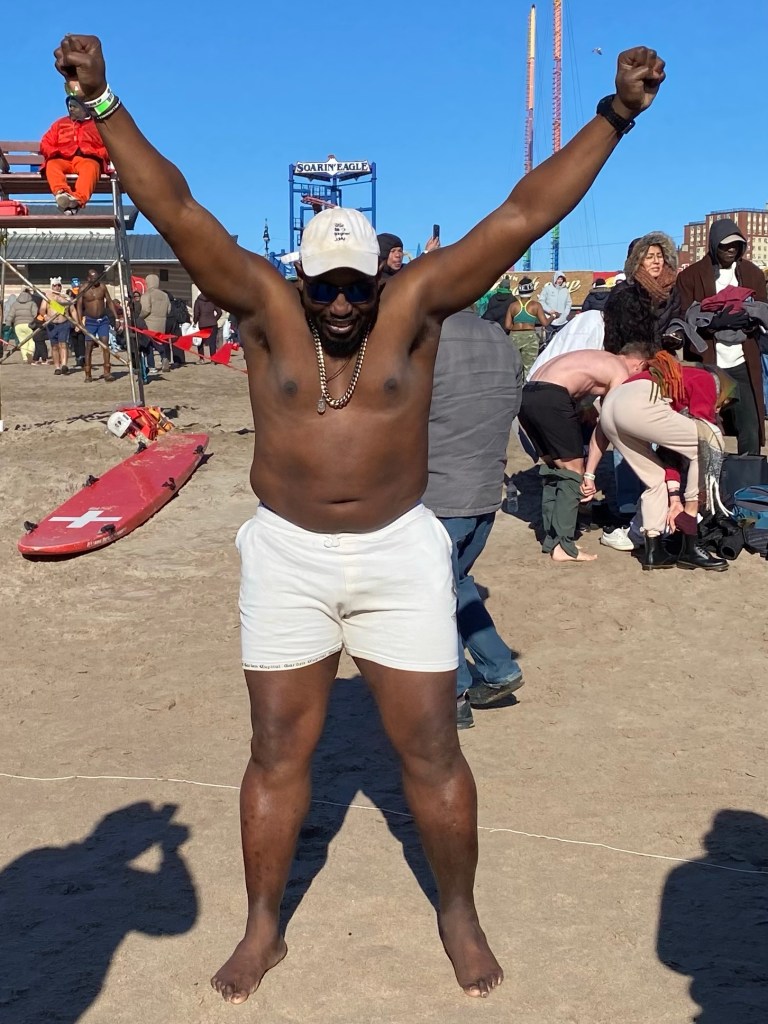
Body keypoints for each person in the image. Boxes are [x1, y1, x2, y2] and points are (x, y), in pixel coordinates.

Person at [55, 31, 664, 1002]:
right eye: (324, 286)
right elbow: (176, 208)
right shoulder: (263, 309)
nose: (341, 304)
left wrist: (617, 116)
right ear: (298, 276)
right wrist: (101, 107)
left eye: (355, 285)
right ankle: (263, 926)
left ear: (379, 276)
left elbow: (522, 213)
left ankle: (458, 912)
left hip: (397, 550)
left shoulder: (413, 310)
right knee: (275, 752)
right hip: (286, 554)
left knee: (431, 749)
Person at [422, 309, 524, 731]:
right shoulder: (499, 337)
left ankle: (455, 693)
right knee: (457, 582)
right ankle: (499, 667)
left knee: (433, 595)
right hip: (485, 487)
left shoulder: (425, 335)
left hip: (439, 490)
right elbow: (515, 402)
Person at [581, 353, 729, 572]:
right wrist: (690, 504)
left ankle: (654, 551)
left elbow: (669, 454)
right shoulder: (705, 378)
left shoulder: (670, 385)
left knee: (655, 478)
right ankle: (689, 536)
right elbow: (705, 438)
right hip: (637, 405)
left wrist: (674, 497)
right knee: (711, 440)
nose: (717, 409)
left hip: (613, 406)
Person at [519, 346, 650, 562]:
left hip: (528, 395)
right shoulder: (620, 371)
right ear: (639, 364)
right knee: (573, 473)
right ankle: (563, 546)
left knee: (556, 470)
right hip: (552, 397)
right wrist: (589, 474)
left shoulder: (600, 357)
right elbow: (607, 424)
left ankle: (552, 539)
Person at [677, 219, 766, 455]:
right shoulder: (691, 276)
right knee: (706, 426)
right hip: (708, 363)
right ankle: (708, 472)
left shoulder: (752, 274)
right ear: (714, 244)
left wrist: (750, 320)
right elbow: (683, 314)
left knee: (750, 426)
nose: (730, 249)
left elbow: (763, 308)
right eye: (725, 245)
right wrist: (714, 322)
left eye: (736, 244)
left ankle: (748, 472)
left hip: (742, 361)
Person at [40, 98, 109, 213]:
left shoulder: (97, 125)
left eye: (74, 106)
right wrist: (55, 152)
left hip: (86, 160)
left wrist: (96, 153)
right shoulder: (59, 123)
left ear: (84, 108)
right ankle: (62, 194)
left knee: (91, 167)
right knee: (52, 164)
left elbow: (109, 146)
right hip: (63, 159)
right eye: (69, 106)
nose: (71, 109)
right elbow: (45, 143)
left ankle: (76, 200)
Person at [74, 267, 116, 381]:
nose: (97, 280)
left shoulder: (102, 287)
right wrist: (79, 322)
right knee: (89, 347)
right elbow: (79, 306)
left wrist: (116, 318)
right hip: (90, 321)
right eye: (94, 278)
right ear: (88, 278)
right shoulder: (83, 289)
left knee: (105, 345)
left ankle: (107, 372)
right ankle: (88, 373)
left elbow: (109, 302)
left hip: (103, 320)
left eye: (97, 278)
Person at [504, 277, 552, 374]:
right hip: (530, 337)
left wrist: (516, 328)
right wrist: (553, 316)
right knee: (529, 368)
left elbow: (507, 325)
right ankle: (526, 383)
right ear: (531, 290)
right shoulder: (536, 305)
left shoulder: (513, 306)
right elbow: (545, 323)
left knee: (514, 367)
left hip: (514, 336)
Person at [38, 277, 71, 374]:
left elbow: (72, 309)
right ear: (51, 286)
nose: (57, 287)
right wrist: (45, 316)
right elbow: (42, 309)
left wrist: (77, 323)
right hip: (52, 325)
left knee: (63, 344)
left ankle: (64, 365)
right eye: (55, 285)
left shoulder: (65, 297)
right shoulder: (47, 297)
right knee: (54, 346)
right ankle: (57, 367)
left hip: (64, 323)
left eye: (59, 285)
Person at [140, 273, 172, 371]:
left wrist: (139, 317)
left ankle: (152, 366)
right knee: (159, 342)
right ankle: (164, 358)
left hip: (149, 323)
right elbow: (169, 310)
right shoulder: (165, 295)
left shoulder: (147, 295)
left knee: (149, 345)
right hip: (162, 323)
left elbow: (146, 310)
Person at [539, 273, 572, 341]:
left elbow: (569, 303)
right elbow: (541, 301)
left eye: (561, 279)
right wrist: (549, 310)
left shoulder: (565, 290)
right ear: (555, 279)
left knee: (562, 341)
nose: (560, 281)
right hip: (549, 320)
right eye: (558, 279)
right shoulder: (547, 289)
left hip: (562, 320)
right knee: (549, 340)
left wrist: (565, 314)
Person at [193, 292, 222, 359]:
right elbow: (219, 312)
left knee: (200, 342)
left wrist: (195, 322)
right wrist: (215, 319)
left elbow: (196, 314)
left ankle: (201, 358)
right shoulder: (212, 300)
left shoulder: (198, 301)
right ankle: (213, 359)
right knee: (212, 342)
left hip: (202, 324)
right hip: (213, 323)